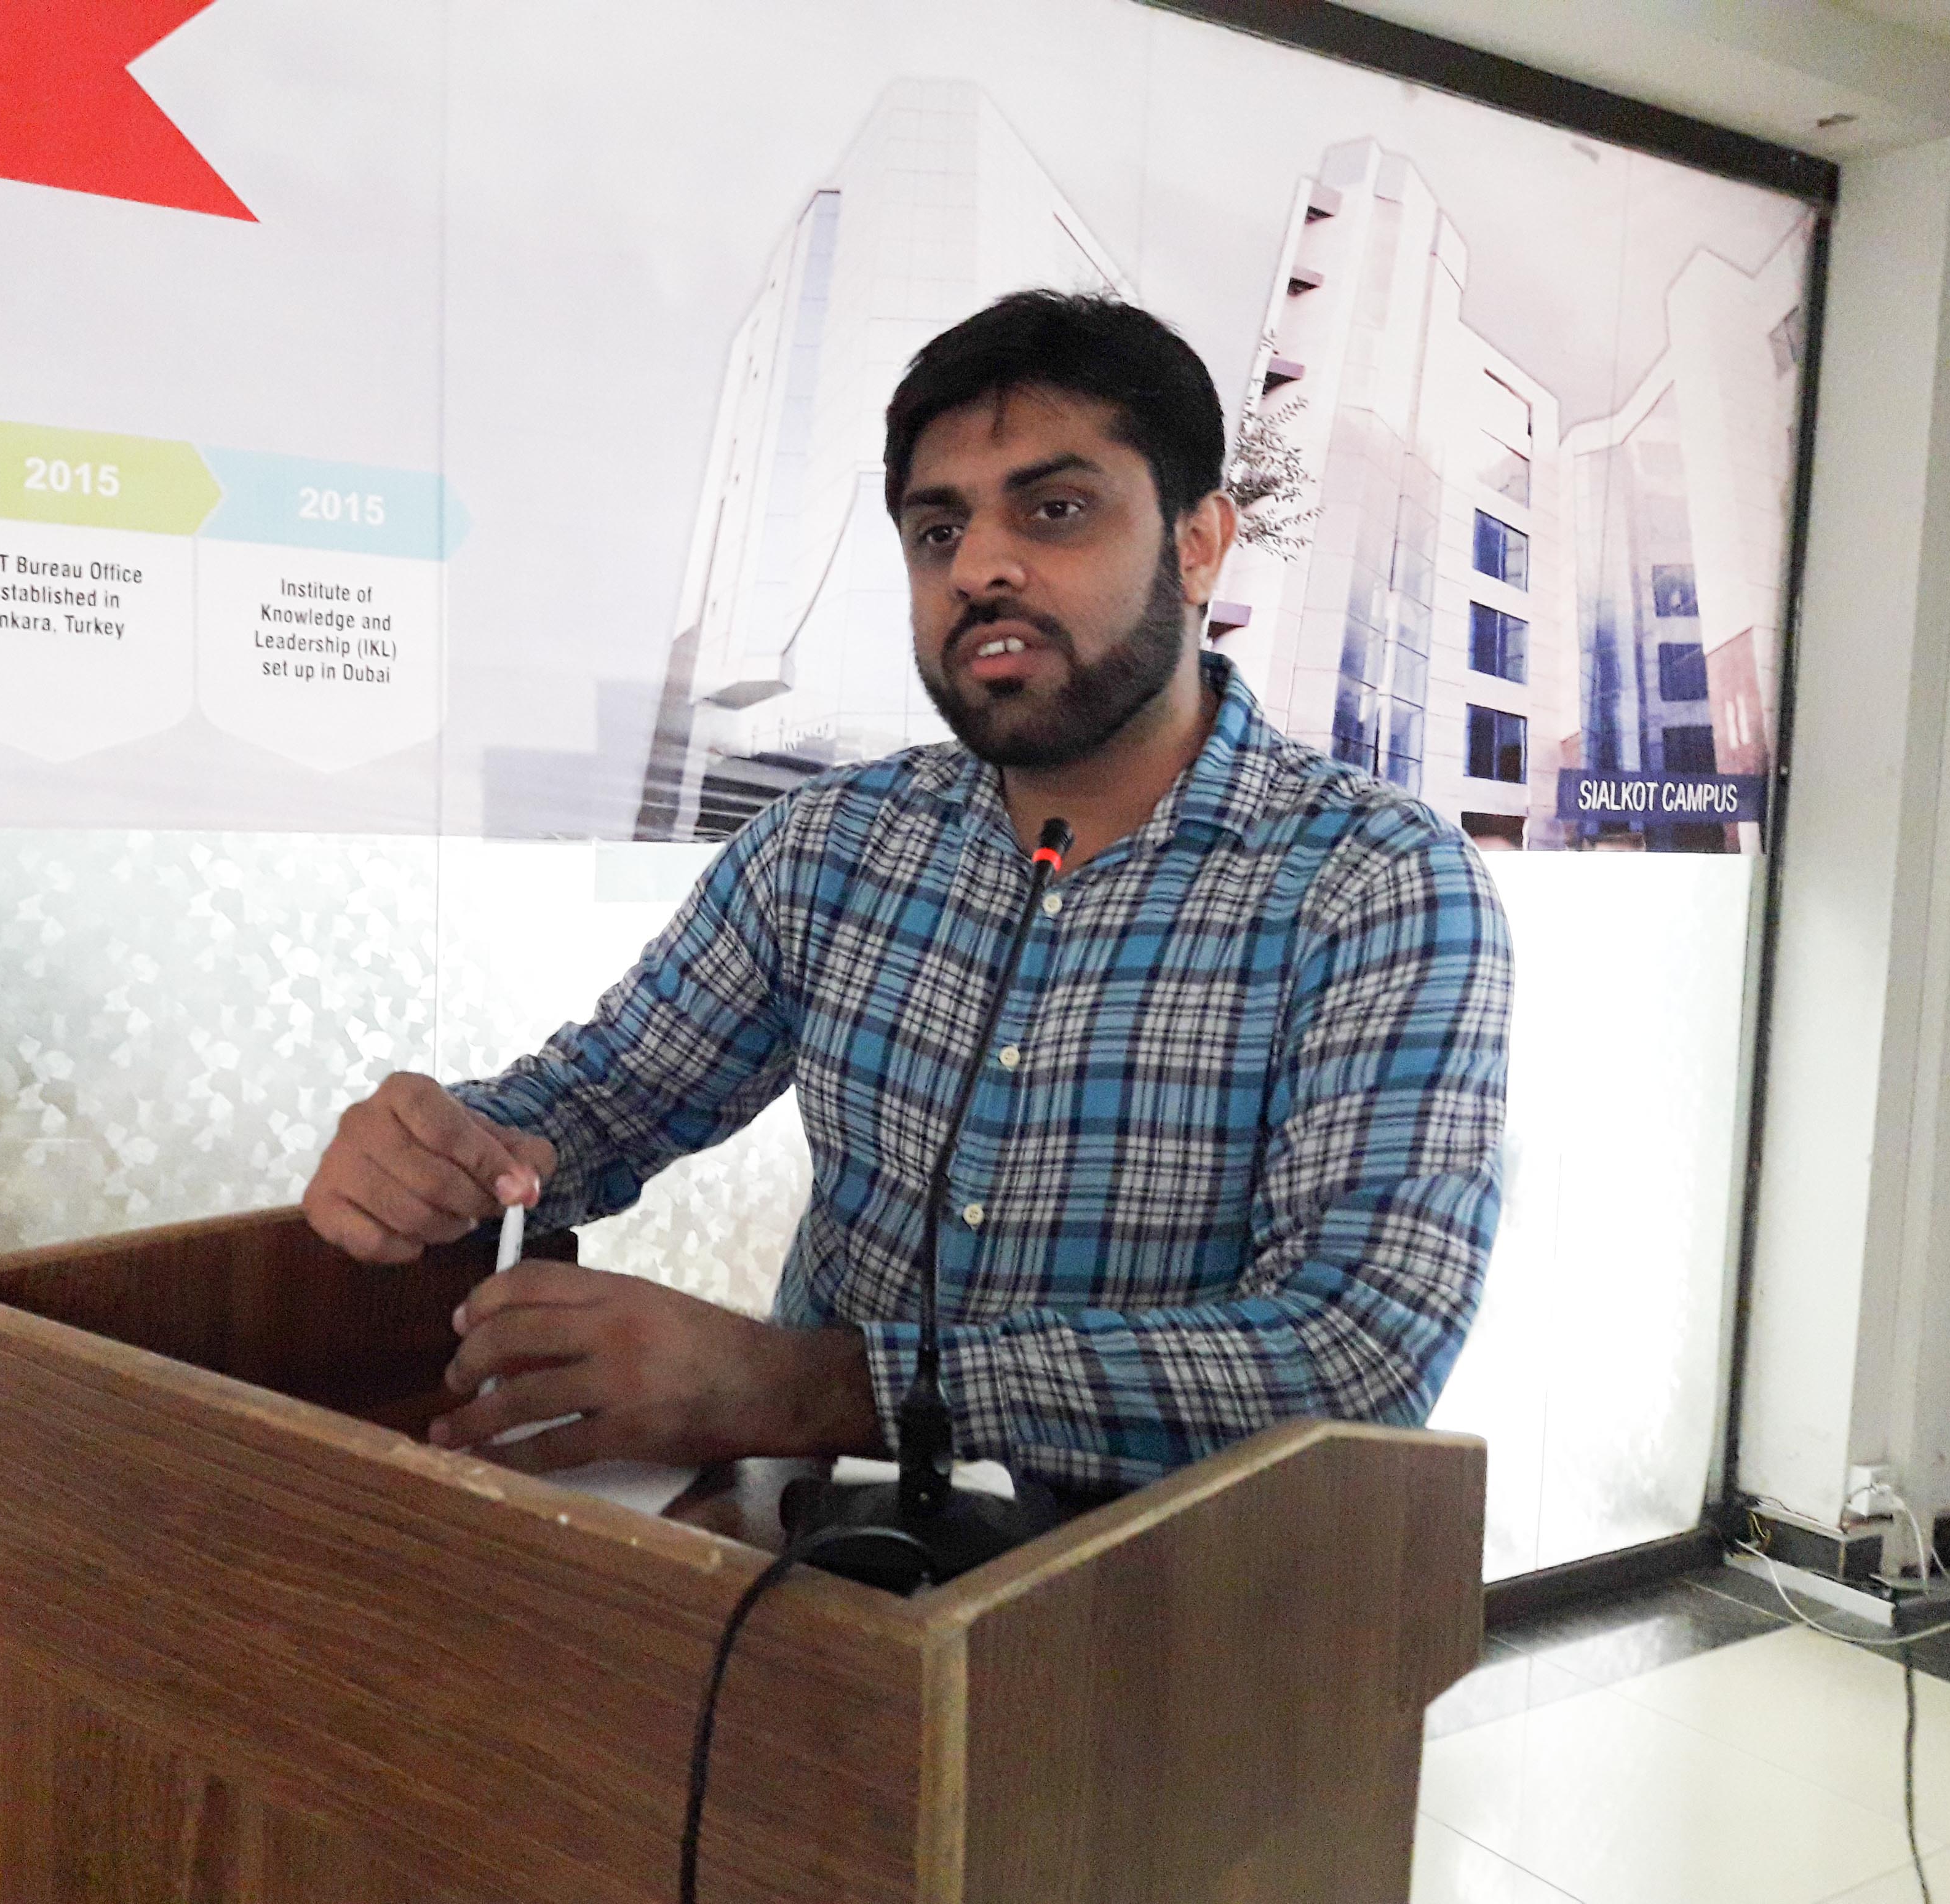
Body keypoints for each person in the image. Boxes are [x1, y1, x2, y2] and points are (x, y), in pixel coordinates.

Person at [303, 290, 1511, 1499]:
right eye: (938, 532)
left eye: (1055, 510)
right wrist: (449, 1153)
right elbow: (608, 1098)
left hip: (1175, 1596)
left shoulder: (1376, 885)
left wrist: (807, 1387)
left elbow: (1353, 1359)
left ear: (1197, 545)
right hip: (813, 1570)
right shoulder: (837, 843)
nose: (979, 567)